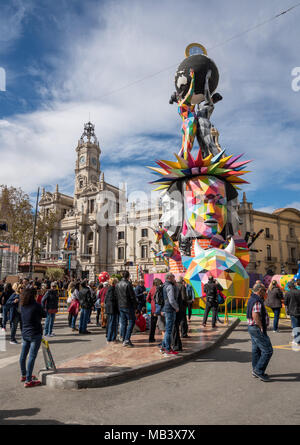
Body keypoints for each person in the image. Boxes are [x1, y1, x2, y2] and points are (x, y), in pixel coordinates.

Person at [19, 286, 46, 387]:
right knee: (31, 356)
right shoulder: (36, 305)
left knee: (23, 355)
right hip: (35, 333)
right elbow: (45, 314)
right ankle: (29, 380)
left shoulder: (22, 305)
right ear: (34, 295)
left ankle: (24, 375)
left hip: (25, 333)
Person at [247, 283, 273, 382]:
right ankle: (258, 370)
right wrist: (261, 326)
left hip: (252, 327)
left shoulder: (252, 298)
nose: (265, 293)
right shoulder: (257, 300)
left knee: (256, 350)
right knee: (268, 350)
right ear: (259, 291)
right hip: (256, 328)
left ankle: (255, 370)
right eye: (264, 291)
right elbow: (255, 314)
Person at [115, 270, 137, 347]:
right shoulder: (128, 284)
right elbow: (132, 296)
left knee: (124, 323)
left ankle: (124, 338)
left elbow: (116, 296)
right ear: (128, 276)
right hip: (128, 306)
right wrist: (135, 306)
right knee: (131, 321)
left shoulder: (118, 284)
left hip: (121, 306)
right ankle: (127, 339)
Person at [161, 272, 179, 357]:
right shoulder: (169, 286)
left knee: (168, 329)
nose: (174, 278)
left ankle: (164, 346)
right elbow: (172, 299)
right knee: (169, 330)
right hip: (170, 309)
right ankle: (168, 349)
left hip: (166, 308)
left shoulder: (165, 285)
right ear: (169, 278)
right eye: (173, 277)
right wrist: (176, 307)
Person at [146, 278, 163, 343]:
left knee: (153, 324)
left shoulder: (152, 288)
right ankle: (163, 339)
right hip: (160, 308)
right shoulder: (161, 288)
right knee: (162, 324)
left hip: (153, 309)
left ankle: (151, 338)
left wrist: (152, 302)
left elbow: (147, 299)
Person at [284, 281, 300, 346]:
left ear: (289, 287)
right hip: (298, 311)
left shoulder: (288, 293)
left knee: (295, 326)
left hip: (293, 311)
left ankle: (297, 341)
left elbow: (285, 303)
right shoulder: (299, 291)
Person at [105, 278, 119, 343]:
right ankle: (111, 338)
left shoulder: (109, 289)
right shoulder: (113, 289)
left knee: (111, 323)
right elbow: (114, 299)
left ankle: (111, 337)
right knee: (112, 324)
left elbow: (106, 300)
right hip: (112, 309)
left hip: (110, 308)